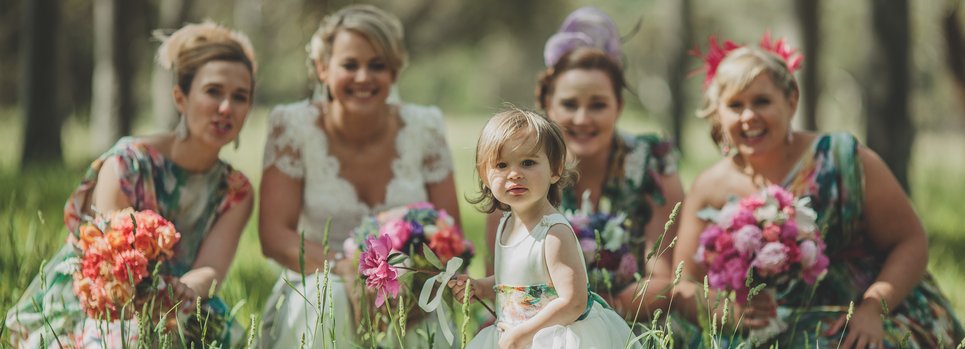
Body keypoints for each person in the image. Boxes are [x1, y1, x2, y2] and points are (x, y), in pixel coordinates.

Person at [671, 36, 965, 348]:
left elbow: (910, 241)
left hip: (869, 315)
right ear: (718, 113)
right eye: (735, 105)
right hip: (767, 328)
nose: (748, 117)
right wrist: (728, 311)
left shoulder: (843, 158)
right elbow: (687, 284)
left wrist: (873, 308)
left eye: (761, 101)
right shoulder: (709, 187)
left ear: (791, 101)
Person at [4, 21, 256, 348]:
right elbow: (110, 261)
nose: (226, 108)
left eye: (240, 97)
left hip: (184, 303)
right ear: (180, 97)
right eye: (213, 91)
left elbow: (211, 267)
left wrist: (186, 289)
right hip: (106, 303)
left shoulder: (235, 190)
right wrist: (151, 301)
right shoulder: (127, 165)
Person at [257, 4, 460, 348]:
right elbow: (274, 236)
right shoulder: (292, 126)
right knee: (331, 298)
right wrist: (346, 270)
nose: (364, 77)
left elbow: (448, 231)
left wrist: (413, 280)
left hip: (405, 284)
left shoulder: (425, 127)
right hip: (319, 278)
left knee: (422, 315)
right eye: (350, 65)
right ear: (323, 68)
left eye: (377, 65)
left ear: (394, 72)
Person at [484, 7, 685, 322]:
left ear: (618, 106)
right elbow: (500, 279)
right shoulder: (516, 170)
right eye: (568, 104)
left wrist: (588, 307)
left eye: (598, 105)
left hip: (637, 319)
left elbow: (663, 279)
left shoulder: (651, 163)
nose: (582, 119)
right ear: (547, 103)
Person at [451, 107, 639, 348]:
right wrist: (482, 287)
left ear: (555, 169)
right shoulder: (505, 224)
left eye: (528, 162)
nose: (514, 174)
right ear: (485, 175)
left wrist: (523, 335)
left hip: (553, 338)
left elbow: (573, 302)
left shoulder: (554, 232)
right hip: (514, 337)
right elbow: (518, 279)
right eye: (501, 165)